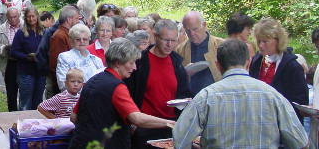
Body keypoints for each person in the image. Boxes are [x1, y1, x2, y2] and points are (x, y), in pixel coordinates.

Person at [173, 39, 308, 148]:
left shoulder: (206, 97)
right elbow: (300, 142)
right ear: (249, 62)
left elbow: (180, 140)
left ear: (218, 65)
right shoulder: (272, 95)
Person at [69, 38, 175, 148]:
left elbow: (74, 117)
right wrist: (169, 123)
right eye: (131, 63)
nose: (134, 68)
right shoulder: (117, 87)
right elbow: (137, 118)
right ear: (118, 63)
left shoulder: (92, 81)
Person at [125, 19, 192, 147]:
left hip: (172, 126)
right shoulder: (139, 62)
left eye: (173, 40)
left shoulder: (177, 63)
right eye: (166, 40)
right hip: (146, 127)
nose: (170, 45)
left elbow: (185, 92)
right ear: (155, 37)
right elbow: (127, 94)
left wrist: (186, 101)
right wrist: (133, 126)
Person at [249, 18, 308, 123]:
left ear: (278, 40)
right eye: (258, 41)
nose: (261, 45)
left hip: (282, 123)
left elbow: (301, 103)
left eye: (265, 41)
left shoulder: (292, 66)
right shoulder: (256, 61)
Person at [175, 11, 224, 95]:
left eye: (195, 29)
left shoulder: (221, 45)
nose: (191, 34)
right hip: (191, 99)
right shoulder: (180, 50)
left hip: (217, 96)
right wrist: (184, 74)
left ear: (204, 25)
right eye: (188, 31)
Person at [10, 6, 45, 110]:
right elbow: (13, 51)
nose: (31, 19)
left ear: (37, 16)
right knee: (25, 102)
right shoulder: (21, 33)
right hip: (25, 72)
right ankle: (24, 124)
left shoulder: (43, 32)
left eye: (33, 16)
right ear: (25, 18)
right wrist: (27, 57)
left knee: (38, 102)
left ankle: (36, 124)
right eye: (28, 16)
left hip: (40, 72)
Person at [56, 24, 104, 92]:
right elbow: (62, 84)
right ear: (72, 41)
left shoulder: (96, 60)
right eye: (78, 39)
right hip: (74, 100)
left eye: (85, 39)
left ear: (89, 40)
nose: (82, 41)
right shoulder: (65, 57)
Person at [0, 7, 21, 111]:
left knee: (25, 92)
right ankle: (12, 114)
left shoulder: (25, 27)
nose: (13, 19)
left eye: (15, 17)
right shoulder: (0, 30)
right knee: (11, 93)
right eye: (10, 17)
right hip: (9, 64)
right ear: (7, 17)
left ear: (19, 15)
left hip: (24, 64)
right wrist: (4, 48)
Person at [48, 6, 80, 96]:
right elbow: (55, 64)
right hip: (64, 87)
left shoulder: (67, 34)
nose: (78, 21)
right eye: (76, 18)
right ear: (69, 19)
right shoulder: (59, 36)